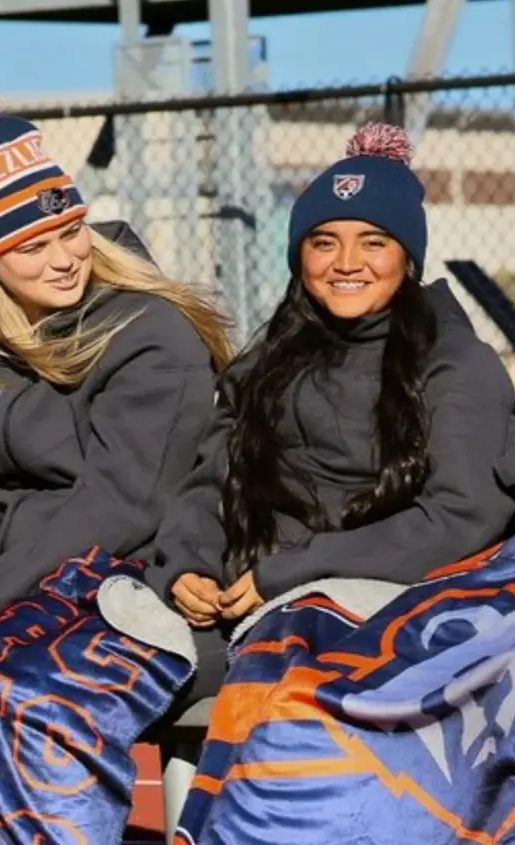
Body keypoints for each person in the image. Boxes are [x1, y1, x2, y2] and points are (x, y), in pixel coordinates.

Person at [0, 81, 233, 701]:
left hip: (127, 576)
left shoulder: (148, 331)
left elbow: (124, 505)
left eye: (71, 230)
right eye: (33, 246)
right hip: (5, 576)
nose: (64, 259)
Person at [148, 123, 515, 629]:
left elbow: (460, 517)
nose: (346, 263)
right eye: (323, 242)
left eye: (373, 242)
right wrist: (187, 563)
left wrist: (297, 571)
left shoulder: (456, 364)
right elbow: (210, 484)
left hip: (389, 613)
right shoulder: (262, 366)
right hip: (244, 595)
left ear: (407, 258)